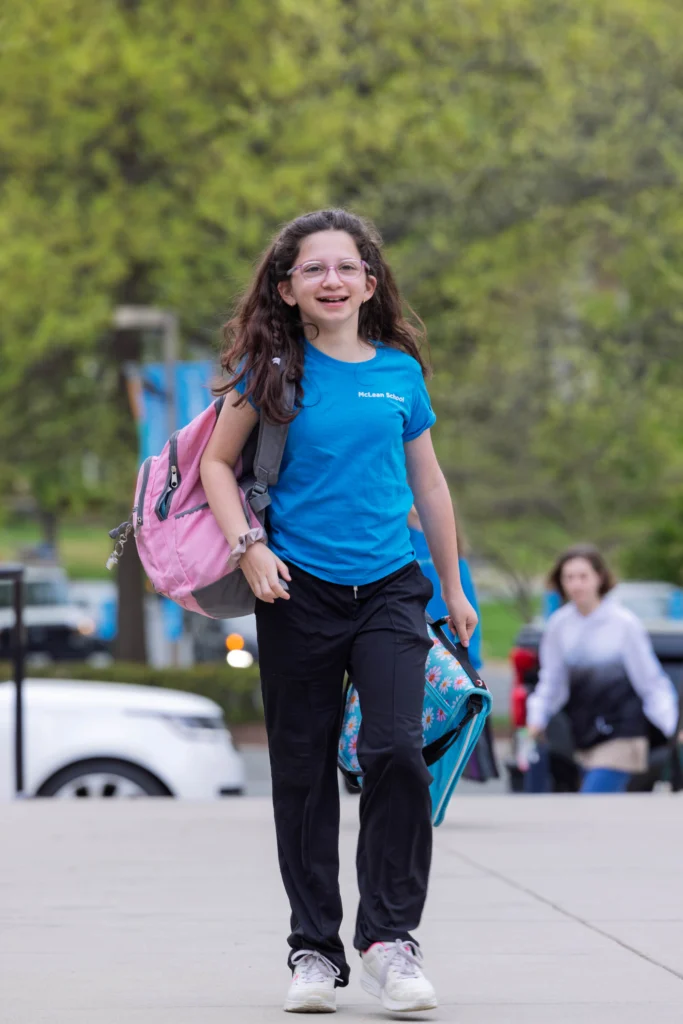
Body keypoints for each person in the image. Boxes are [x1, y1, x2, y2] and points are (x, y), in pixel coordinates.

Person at [200, 209, 477, 1014]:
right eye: (313, 269)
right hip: (294, 590)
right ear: (286, 288)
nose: (331, 280)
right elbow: (218, 465)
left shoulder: (399, 373)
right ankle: (313, 951)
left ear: (369, 281)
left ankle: (390, 939)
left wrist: (453, 588)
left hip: (392, 585)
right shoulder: (270, 370)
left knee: (395, 750)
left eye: (346, 267)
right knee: (302, 771)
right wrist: (249, 544)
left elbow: (428, 484)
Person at [526, 544, 679, 793]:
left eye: (583, 576)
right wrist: (536, 719)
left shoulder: (624, 624)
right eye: (569, 577)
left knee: (592, 800)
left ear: (600, 578)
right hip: (585, 736)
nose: (576, 584)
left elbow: (651, 684)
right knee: (600, 819)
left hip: (623, 736)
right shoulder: (558, 626)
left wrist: (674, 728)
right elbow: (552, 683)